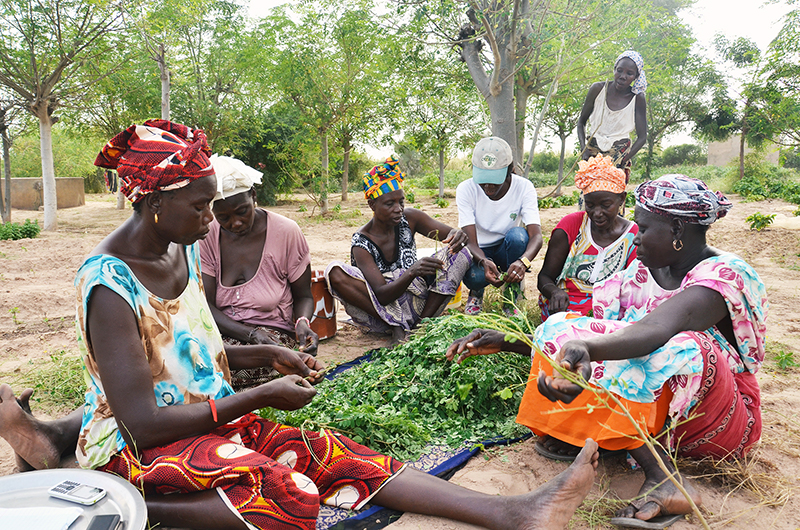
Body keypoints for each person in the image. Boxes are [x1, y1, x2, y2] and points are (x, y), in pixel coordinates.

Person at [0, 120, 602, 530]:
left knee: (337, 455)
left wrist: (266, 359)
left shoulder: (177, 248)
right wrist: (258, 396)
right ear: (154, 202)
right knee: (287, 494)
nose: (211, 218)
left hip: (207, 418)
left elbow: (192, 357)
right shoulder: (110, 285)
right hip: (135, 448)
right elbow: (141, 418)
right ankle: (135, 502)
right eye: (201, 206)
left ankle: (512, 514)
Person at [447, 175, 766, 524]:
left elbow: (655, 330)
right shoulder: (637, 275)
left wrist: (587, 347)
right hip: (659, 412)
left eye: (642, 229)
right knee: (563, 326)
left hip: (714, 418)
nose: (634, 236)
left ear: (677, 230)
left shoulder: (723, 275)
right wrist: (507, 342)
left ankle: (665, 477)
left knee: (680, 343)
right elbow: (586, 333)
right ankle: (596, 435)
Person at [199, 155, 319, 389]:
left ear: (253, 196)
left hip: (273, 335)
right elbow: (205, 306)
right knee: (196, 362)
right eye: (223, 217)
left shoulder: (286, 232)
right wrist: (251, 335)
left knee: (222, 374)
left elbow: (304, 296)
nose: (235, 223)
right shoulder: (207, 235)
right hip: (223, 332)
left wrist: (302, 323)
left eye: (242, 211)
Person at [326, 156, 473, 343]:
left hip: (421, 306)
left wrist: (458, 235)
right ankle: (396, 326)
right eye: (390, 204)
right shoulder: (361, 243)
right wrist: (412, 271)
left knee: (460, 252)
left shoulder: (411, 219)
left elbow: (452, 235)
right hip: (382, 313)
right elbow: (382, 295)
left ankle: (421, 327)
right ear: (372, 205)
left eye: (401, 202)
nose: (399, 209)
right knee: (334, 271)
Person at [538, 154, 638, 320]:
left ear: (621, 199)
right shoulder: (571, 226)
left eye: (606, 205)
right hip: (564, 308)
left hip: (609, 313)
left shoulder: (633, 236)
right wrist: (554, 292)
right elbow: (544, 277)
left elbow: (633, 290)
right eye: (590, 205)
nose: (597, 213)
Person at [456, 137, 543, 315]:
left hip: (508, 248)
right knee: (474, 277)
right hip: (479, 250)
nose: (488, 186)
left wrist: (522, 262)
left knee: (519, 236)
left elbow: (536, 236)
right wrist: (483, 261)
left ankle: (511, 296)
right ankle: (476, 293)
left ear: (510, 170)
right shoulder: (466, 189)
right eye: (483, 179)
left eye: (494, 180)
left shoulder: (524, 188)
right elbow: (470, 242)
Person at [577, 50, 648, 181]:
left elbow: (642, 137)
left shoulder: (637, 99)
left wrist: (624, 160)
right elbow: (581, 122)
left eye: (629, 73)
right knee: (589, 197)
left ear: (636, 76)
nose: (623, 76)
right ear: (614, 69)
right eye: (619, 70)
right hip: (592, 153)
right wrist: (584, 150)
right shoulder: (597, 90)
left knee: (612, 199)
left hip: (619, 154)